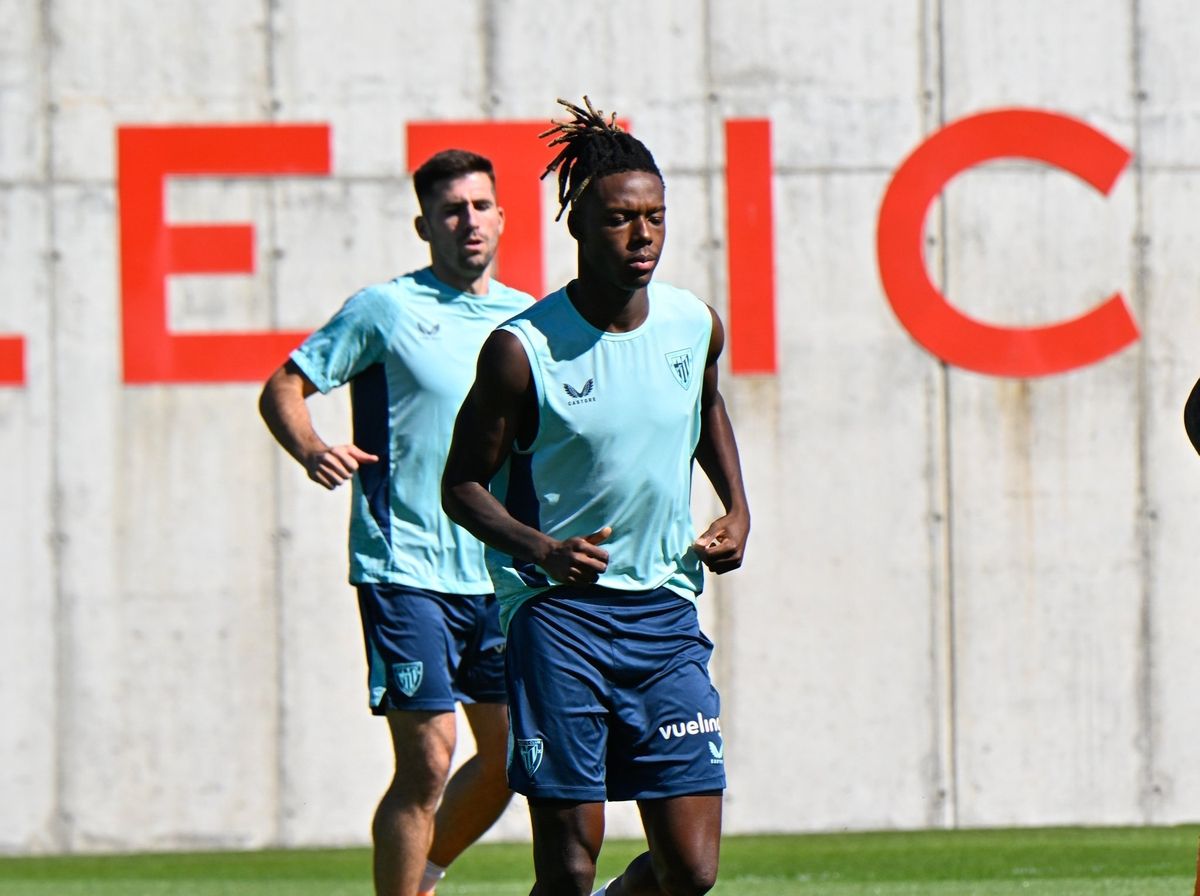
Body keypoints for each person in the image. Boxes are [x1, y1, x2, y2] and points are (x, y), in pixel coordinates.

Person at [442, 97, 751, 896]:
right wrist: (542, 550)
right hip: (558, 618)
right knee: (570, 864)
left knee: (692, 868)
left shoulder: (693, 324)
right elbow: (462, 487)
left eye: (655, 218)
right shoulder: (522, 350)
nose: (642, 236)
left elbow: (705, 406)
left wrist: (737, 508)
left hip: (664, 617)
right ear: (578, 225)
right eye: (620, 220)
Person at [259, 148, 534, 896]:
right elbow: (285, 384)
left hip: (494, 576)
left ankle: (419, 877)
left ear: (503, 218)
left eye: (480, 206)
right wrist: (312, 446)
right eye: (451, 210)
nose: (467, 222)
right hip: (403, 566)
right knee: (429, 757)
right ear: (425, 225)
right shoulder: (386, 309)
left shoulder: (526, 320)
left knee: (513, 753)